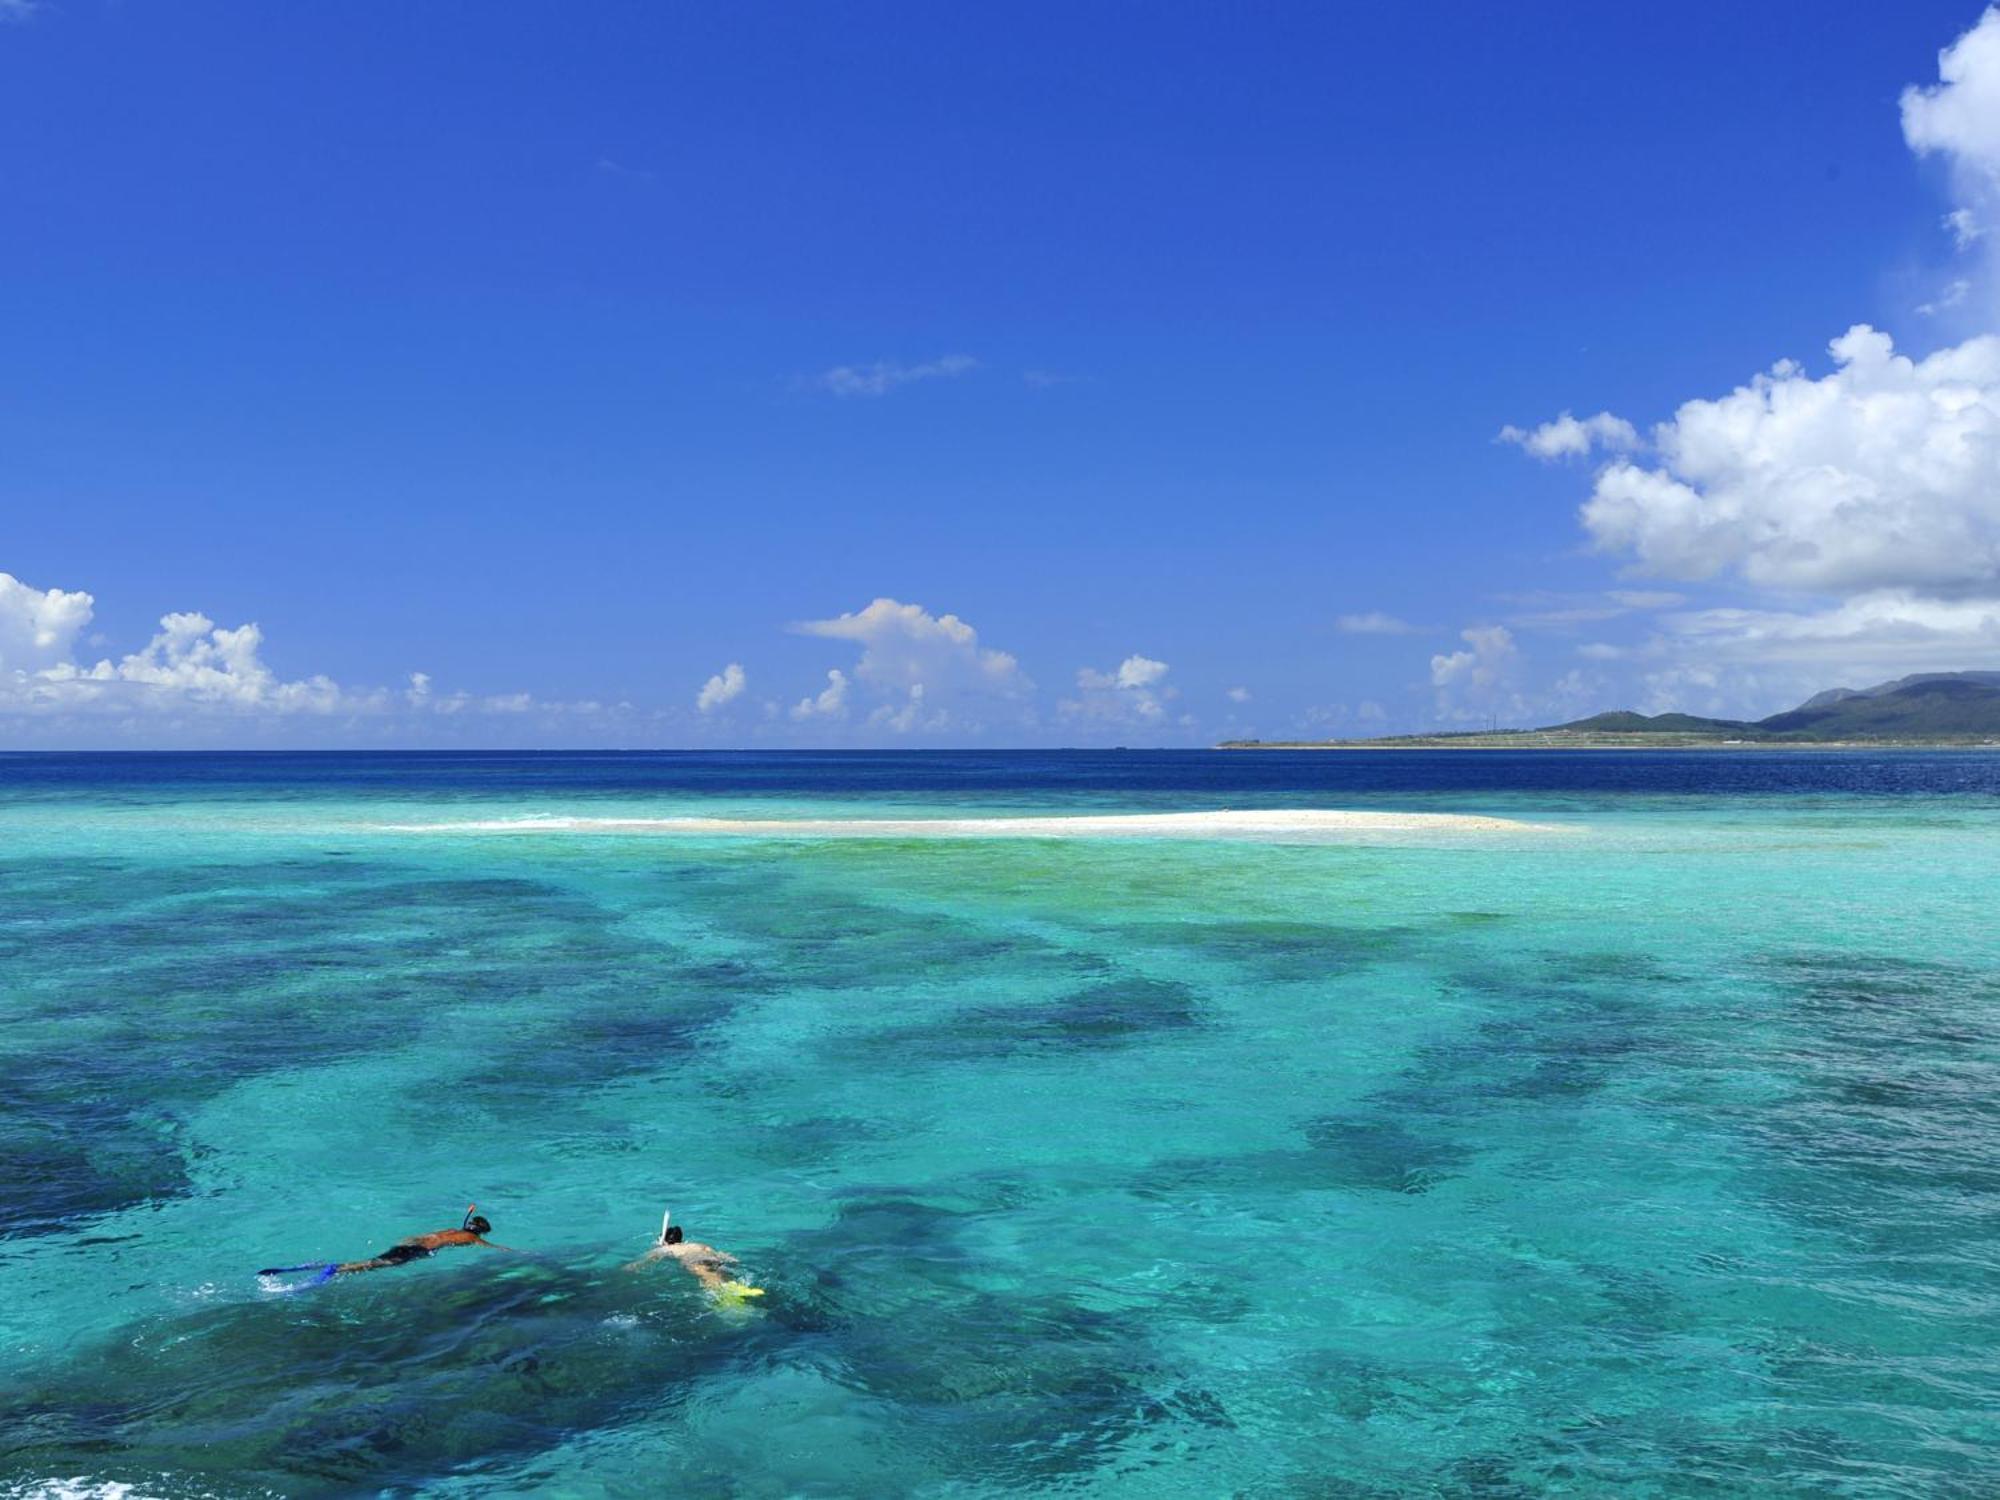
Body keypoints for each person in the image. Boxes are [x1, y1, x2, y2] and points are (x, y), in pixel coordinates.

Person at [259, 1205, 508, 1282]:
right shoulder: (472, 1238)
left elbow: (417, 1236)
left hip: (410, 1243)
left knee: (374, 1259)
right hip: (418, 1251)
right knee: (373, 1265)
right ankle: (333, 1270)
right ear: (480, 1232)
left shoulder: (450, 1230)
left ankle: (315, 1266)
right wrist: (519, 1252)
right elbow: (493, 1249)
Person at [624, 1209, 762, 1299]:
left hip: (694, 1261)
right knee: (718, 1273)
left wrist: (629, 1268)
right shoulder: (697, 1244)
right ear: (681, 1239)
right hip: (712, 1257)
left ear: (665, 1241)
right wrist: (731, 1259)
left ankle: (729, 1295)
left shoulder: (666, 1249)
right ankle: (739, 1287)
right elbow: (718, 1253)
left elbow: (644, 1261)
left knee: (708, 1278)